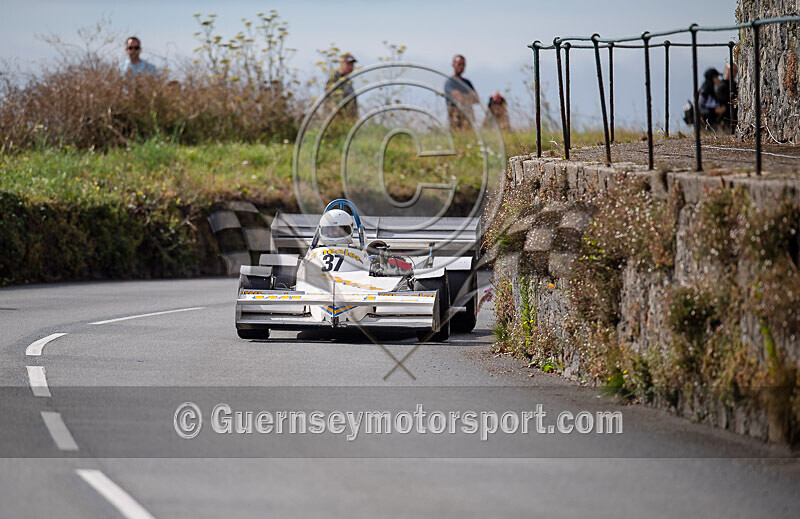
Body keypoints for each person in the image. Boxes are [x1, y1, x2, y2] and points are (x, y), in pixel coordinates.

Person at [444, 55, 479, 131]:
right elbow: (459, 98)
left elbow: (476, 99)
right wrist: (468, 97)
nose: (461, 66)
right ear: (453, 64)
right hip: (455, 121)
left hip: (469, 121)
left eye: (463, 64)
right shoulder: (450, 82)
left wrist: (463, 97)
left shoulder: (467, 82)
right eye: (459, 64)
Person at [326, 53, 358, 119]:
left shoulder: (347, 81)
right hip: (336, 119)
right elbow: (331, 101)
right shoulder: (334, 80)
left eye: (352, 64)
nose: (351, 67)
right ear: (342, 63)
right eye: (348, 64)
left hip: (348, 120)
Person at [716, 62, 738, 130]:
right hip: (723, 119)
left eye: (735, 71)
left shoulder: (737, 86)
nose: (733, 73)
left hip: (735, 118)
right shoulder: (720, 86)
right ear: (726, 71)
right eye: (731, 70)